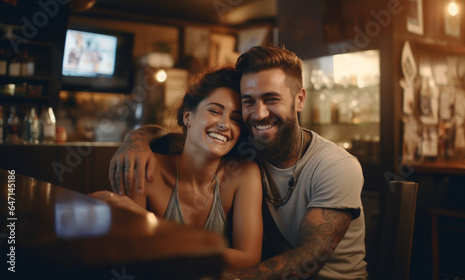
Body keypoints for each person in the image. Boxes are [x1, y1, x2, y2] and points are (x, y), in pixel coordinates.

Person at [109, 45, 368, 279]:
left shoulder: (336, 166)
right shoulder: (251, 149)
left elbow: (308, 260)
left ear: (299, 100)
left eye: (271, 99)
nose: (259, 113)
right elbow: (189, 141)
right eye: (249, 102)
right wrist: (138, 138)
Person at [97, 66, 263, 270]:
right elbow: (135, 254)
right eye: (214, 111)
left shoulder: (244, 175)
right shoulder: (146, 167)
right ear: (188, 117)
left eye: (235, 119)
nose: (224, 124)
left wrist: (148, 223)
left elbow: (248, 258)